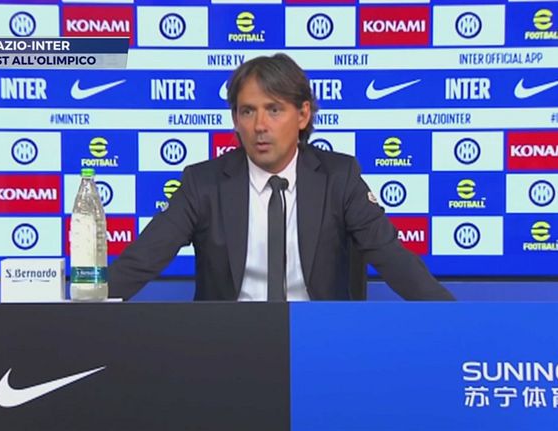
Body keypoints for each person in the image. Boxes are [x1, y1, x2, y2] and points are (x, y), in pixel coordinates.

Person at [108, 53, 454, 302]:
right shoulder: (204, 183)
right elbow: (144, 258)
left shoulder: (339, 177)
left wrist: (457, 321)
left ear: (303, 114)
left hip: (320, 343)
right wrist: (85, 313)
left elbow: (391, 257)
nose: (260, 126)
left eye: (274, 110)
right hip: (226, 345)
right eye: (248, 111)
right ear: (235, 119)